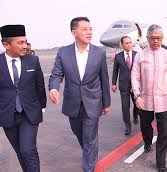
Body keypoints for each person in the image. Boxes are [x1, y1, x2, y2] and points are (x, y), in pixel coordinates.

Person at [48, 17, 111, 172]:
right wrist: (54, 88)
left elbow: (104, 78)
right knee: (79, 133)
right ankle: (90, 152)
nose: (89, 32)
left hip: (93, 102)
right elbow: (56, 74)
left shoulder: (99, 52)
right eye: (84, 29)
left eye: (90, 29)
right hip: (73, 102)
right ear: (74, 32)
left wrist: (106, 103)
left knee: (90, 137)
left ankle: (88, 166)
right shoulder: (63, 52)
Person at [131, 24, 167, 172]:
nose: (156, 41)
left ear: (162, 38)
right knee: (145, 127)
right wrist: (137, 95)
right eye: (153, 38)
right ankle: (147, 142)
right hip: (144, 100)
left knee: (164, 132)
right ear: (147, 38)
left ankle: (161, 162)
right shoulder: (140, 55)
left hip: (163, 100)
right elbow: (135, 76)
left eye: (159, 38)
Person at [0, 25, 46, 172]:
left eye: (25, 42)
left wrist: (42, 107)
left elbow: (40, 85)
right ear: (6, 44)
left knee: (28, 150)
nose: (25, 46)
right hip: (7, 115)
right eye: (20, 43)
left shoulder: (32, 61)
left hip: (29, 114)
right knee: (20, 152)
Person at [112, 36, 139, 135]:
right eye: (126, 43)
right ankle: (128, 127)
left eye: (130, 42)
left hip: (135, 85)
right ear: (122, 45)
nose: (129, 45)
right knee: (125, 106)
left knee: (137, 104)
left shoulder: (137, 55)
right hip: (123, 85)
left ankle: (135, 115)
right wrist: (113, 83)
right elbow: (115, 71)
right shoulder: (118, 56)